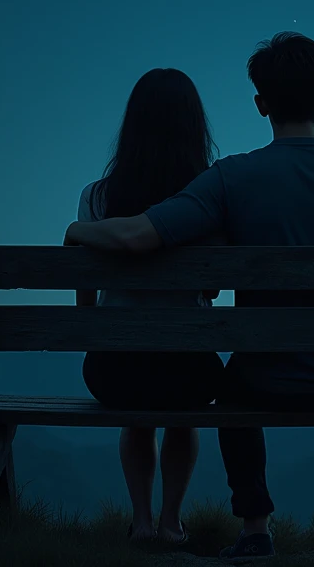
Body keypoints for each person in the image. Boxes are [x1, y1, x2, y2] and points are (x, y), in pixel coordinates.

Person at [65, 32, 314, 559]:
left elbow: (140, 234)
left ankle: (254, 527)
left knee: (229, 386)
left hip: (264, 379)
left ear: (260, 104)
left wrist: (80, 230)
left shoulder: (231, 179)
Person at [72, 68, 225, 543]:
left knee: (137, 415)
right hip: (190, 372)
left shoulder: (96, 199)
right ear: (194, 127)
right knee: (183, 413)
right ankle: (172, 522)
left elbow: (84, 305)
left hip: (113, 372)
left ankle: (141, 522)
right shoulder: (209, 199)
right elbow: (216, 287)